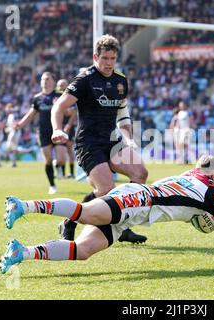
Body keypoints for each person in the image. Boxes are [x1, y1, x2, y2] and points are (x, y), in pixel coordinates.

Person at [0, 155, 214, 274]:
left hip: (137, 211)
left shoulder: (189, 175)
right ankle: (22, 206)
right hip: (137, 201)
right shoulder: (211, 194)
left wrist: (199, 218)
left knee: (84, 250)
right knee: (84, 214)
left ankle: (21, 253)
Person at [51, 34, 148, 243]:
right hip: (89, 143)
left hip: (112, 140)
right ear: (96, 56)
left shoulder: (120, 80)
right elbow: (58, 106)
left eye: (112, 59)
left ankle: (124, 228)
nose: (108, 63)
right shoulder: (85, 79)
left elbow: (123, 113)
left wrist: (129, 138)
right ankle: (69, 222)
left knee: (140, 173)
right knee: (105, 191)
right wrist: (57, 129)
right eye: (105, 58)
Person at [15, 72, 67, 194]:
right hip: (44, 132)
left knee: (60, 159)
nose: (45, 81)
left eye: (48, 79)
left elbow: (69, 112)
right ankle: (52, 185)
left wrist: (58, 106)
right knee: (48, 160)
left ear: (53, 81)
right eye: (43, 79)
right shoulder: (38, 98)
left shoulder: (60, 95)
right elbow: (31, 114)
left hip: (58, 130)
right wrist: (20, 124)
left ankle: (58, 167)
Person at [56, 79, 77, 178]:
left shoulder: (70, 97)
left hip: (69, 127)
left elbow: (72, 113)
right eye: (60, 85)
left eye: (63, 85)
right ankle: (63, 173)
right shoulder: (56, 97)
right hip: (59, 126)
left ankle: (72, 173)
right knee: (62, 150)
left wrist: (68, 125)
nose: (61, 87)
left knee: (69, 149)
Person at [4, 103, 20, 168]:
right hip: (13, 133)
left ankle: (11, 160)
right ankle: (13, 162)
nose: (6, 109)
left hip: (14, 133)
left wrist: (9, 129)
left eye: (7, 108)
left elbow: (16, 124)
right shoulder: (11, 115)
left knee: (9, 147)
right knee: (11, 148)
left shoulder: (13, 115)